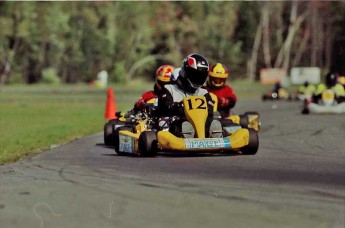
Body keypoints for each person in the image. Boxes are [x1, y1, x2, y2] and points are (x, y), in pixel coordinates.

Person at [157, 53, 221, 138]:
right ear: (185, 73)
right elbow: (164, 106)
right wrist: (178, 107)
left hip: (199, 124)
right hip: (177, 123)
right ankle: (186, 137)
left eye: (201, 76)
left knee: (214, 124)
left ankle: (213, 137)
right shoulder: (169, 89)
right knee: (184, 125)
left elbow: (209, 111)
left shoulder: (203, 92)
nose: (198, 79)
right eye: (195, 75)